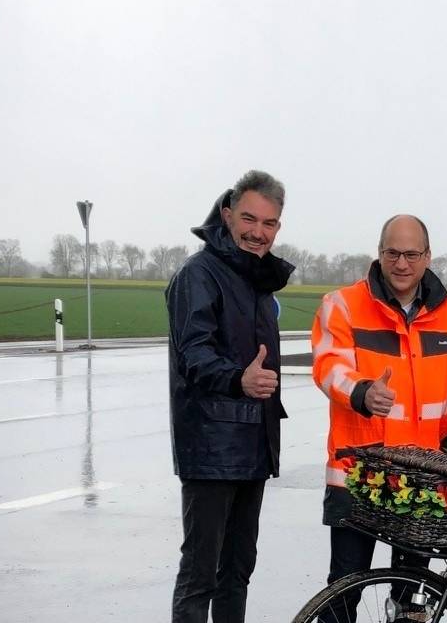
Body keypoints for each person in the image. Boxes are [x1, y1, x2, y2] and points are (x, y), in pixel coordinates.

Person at [310, 214, 447, 612]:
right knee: (344, 589)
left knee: (413, 595)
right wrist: (362, 391)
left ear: (427, 256)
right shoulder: (343, 305)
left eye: (411, 254)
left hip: (421, 478)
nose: (401, 264)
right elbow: (327, 366)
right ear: (379, 252)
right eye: (392, 253)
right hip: (358, 475)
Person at [165, 170, 295, 623]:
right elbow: (193, 353)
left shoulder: (254, 278)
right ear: (227, 215)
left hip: (252, 442)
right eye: (249, 219)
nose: (258, 232)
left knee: (237, 571)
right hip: (211, 446)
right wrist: (239, 378)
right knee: (201, 574)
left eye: (270, 223)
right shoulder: (199, 274)